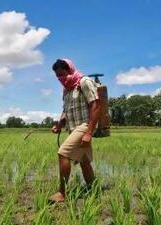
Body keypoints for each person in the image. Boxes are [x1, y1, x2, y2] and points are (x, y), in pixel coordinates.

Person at [49, 58, 100, 203]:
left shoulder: (84, 82)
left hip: (85, 125)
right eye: (58, 76)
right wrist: (59, 125)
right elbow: (65, 110)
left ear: (70, 70)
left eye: (62, 74)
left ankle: (62, 193)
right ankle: (92, 188)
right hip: (73, 128)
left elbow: (95, 106)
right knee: (84, 161)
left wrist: (89, 132)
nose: (61, 78)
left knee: (63, 153)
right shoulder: (66, 89)